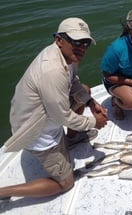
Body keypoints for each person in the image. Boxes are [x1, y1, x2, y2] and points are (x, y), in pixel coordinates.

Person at [0, 17, 108, 208]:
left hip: (48, 112)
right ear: (59, 39)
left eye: (85, 43)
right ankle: (4, 192)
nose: (82, 48)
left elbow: (73, 82)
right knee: (65, 183)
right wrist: (94, 122)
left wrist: (90, 102)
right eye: (76, 42)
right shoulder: (51, 70)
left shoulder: (68, 57)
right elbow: (61, 117)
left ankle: (72, 138)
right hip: (37, 130)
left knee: (85, 90)